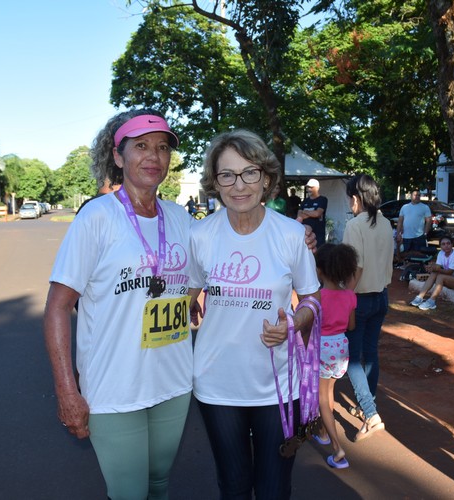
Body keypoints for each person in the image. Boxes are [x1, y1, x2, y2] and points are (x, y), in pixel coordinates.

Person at [43, 109, 193, 499]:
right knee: (129, 493)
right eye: (140, 146)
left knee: (159, 485)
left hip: (174, 382)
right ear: (117, 155)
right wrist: (66, 390)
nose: (153, 156)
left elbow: (209, 273)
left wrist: (296, 240)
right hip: (114, 387)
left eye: (162, 148)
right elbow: (58, 306)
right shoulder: (97, 217)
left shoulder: (181, 218)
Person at [188, 129, 320, 499]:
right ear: (215, 182)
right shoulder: (199, 235)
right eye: (226, 175)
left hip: (278, 386)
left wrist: (294, 324)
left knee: (275, 487)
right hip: (216, 384)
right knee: (232, 485)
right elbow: (184, 299)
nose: (239, 185)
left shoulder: (292, 234)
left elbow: (311, 300)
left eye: (249, 173)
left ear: (266, 178)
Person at [342, 173, 392, 441]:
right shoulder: (384, 222)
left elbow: (355, 268)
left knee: (350, 359)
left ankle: (371, 413)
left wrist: (344, 299)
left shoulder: (355, 225)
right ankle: (366, 405)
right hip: (381, 296)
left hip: (358, 298)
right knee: (370, 354)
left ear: (355, 198)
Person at [312, 243, 357, 469]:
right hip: (341, 347)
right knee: (329, 392)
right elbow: (351, 325)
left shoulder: (317, 297)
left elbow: (308, 326)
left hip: (322, 347)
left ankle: (337, 448)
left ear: (319, 269)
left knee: (321, 397)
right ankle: (323, 433)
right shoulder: (349, 296)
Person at [410, 235, 454, 310]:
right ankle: (420, 297)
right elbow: (438, 267)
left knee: (440, 276)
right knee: (434, 273)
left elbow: (449, 272)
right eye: (443, 244)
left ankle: (432, 301)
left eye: (448, 243)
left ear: (452, 244)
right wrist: (431, 268)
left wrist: (436, 269)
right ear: (440, 246)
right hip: (452, 279)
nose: (446, 246)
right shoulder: (441, 253)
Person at [297, 178, 328, 247]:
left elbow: (317, 213)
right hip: (305, 234)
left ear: (317, 188)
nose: (308, 189)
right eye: (307, 187)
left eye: (311, 187)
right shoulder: (305, 201)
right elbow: (299, 215)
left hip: (318, 234)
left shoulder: (322, 199)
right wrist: (312, 213)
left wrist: (305, 212)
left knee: (319, 254)